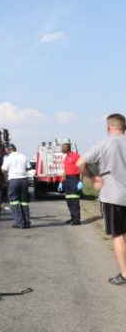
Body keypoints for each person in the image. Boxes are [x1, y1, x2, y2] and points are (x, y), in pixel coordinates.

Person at [77, 113, 126, 286]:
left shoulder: (104, 143)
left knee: (118, 235)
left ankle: (124, 274)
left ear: (108, 127)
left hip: (113, 196)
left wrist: (93, 177)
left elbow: (80, 163)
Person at [1, 144, 31, 228]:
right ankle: (27, 222)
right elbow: (28, 167)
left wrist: (6, 179)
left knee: (14, 202)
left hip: (13, 180)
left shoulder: (8, 158)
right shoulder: (23, 156)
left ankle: (19, 223)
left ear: (9, 149)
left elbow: (3, 169)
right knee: (24, 202)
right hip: (24, 180)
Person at [59, 143, 83, 225]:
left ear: (68, 148)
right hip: (67, 180)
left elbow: (81, 169)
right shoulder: (66, 157)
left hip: (74, 179)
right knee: (69, 200)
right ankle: (73, 217)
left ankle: (77, 220)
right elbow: (65, 170)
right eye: (62, 147)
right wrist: (61, 182)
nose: (62, 149)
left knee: (74, 200)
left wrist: (81, 181)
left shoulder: (76, 156)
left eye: (63, 147)